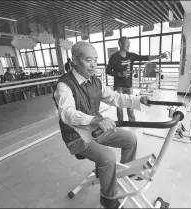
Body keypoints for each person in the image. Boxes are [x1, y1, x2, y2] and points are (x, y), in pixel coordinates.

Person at [53, 41, 151, 208]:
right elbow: (67, 113)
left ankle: (123, 176)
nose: (93, 65)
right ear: (75, 60)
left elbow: (114, 97)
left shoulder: (95, 81)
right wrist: (96, 120)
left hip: (97, 130)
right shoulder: (64, 85)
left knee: (130, 138)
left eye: (96, 60)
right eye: (88, 60)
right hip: (77, 137)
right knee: (107, 158)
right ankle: (107, 197)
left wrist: (137, 99)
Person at [106, 36, 169, 122]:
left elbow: (145, 57)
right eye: (127, 43)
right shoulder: (114, 57)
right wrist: (119, 74)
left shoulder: (131, 55)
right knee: (119, 106)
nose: (129, 45)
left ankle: (132, 122)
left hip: (128, 85)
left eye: (129, 44)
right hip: (118, 86)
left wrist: (160, 56)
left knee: (131, 104)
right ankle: (120, 123)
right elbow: (108, 71)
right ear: (120, 44)